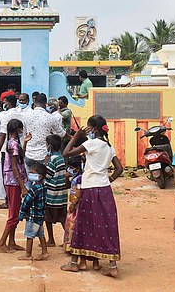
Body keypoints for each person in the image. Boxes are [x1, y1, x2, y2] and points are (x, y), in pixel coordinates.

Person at [61, 115, 123, 277]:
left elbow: (66, 153)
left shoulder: (90, 143)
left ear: (93, 129)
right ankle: (112, 266)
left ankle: (74, 263)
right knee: (107, 225)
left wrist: (76, 135)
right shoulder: (109, 147)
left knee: (82, 223)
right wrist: (108, 180)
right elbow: (119, 169)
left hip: (89, 188)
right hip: (104, 189)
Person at [0, 119, 29, 253]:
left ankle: (11, 241)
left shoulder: (13, 143)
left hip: (13, 180)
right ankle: (2, 242)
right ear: (17, 129)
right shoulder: (13, 144)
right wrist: (22, 186)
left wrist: (25, 142)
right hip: (13, 181)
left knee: (14, 211)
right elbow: (15, 167)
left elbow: (20, 158)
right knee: (13, 214)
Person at [23, 94, 66, 174]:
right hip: (44, 155)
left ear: (35, 103)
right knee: (43, 180)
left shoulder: (26, 116)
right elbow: (61, 134)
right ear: (45, 103)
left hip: (29, 154)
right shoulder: (50, 117)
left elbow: (25, 134)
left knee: (30, 180)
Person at [18, 163, 49, 261]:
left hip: (32, 216)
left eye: (32, 173)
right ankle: (44, 252)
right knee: (41, 234)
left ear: (40, 176)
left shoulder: (34, 189)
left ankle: (28, 254)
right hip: (40, 216)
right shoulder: (43, 186)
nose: (30, 174)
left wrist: (21, 213)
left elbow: (26, 202)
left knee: (29, 235)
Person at [44, 134, 68, 247]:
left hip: (52, 193)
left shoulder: (52, 159)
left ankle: (51, 239)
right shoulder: (61, 157)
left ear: (49, 146)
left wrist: (45, 163)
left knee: (48, 218)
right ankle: (68, 239)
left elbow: (48, 175)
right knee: (63, 218)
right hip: (62, 193)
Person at [63, 155, 83, 260]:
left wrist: (74, 203)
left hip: (75, 203)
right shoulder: (74, 177)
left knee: (73, 224)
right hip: (71, 201)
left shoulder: (79, 179)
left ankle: (73, 246)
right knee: (69, 223)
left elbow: (79, 193)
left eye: (70, 167)